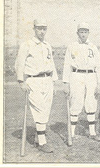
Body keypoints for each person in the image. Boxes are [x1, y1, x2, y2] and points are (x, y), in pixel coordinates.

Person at [15, 19, 58, 153]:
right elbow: (19, 64)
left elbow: (52, 64)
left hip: (47, 80)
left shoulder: (47, 45)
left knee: (45, 110)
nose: (42, 31)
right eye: (39, 28)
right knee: (39, 109)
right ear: (34, 29)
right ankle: (42, 142)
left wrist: (54, 82)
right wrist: (21, 82)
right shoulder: (27, 44)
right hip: (34, 80)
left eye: (44, 28)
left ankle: (37, 138)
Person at [62, 22, 100, 142]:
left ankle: (92, 132)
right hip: (76, 75)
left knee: (91, 102)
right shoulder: (72, 46)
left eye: (85, 32)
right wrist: (65, 83)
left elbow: (99, 66)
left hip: (91, 75)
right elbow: (66, 65)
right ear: (77, 33)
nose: (83, 34)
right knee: (76, 102)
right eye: (81, 32)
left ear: (88, 33)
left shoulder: (93, 47)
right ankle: (72, 133)